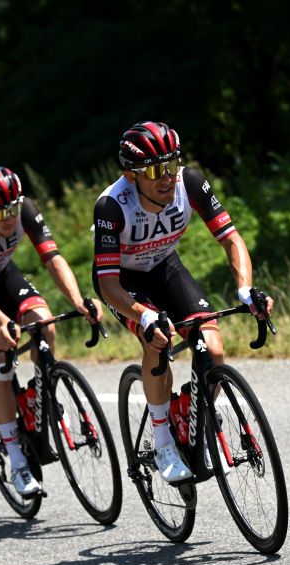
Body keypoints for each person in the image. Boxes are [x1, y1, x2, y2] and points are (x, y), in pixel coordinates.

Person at [93, 120, 272, 484]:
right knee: (157, 341)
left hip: (165, 267)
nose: (167, 178)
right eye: (157, 170)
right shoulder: (112, 206)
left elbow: (231, 239)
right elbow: (107, 282)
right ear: (131, 175)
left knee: (214, 350)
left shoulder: (188, 183)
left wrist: (244, 289)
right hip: (124, 283)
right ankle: (163, 442)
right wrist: (143, 316)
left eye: (172, 165)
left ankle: (194, 417)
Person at [0, 166, 101, 496]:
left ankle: (44, 397)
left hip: (1, 275)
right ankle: (17, 460)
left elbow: (53, 258)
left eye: (12, 208)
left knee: (44, 323)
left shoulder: (24, 208)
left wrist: (79, 299)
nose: (9, 218)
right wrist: (1, 323)